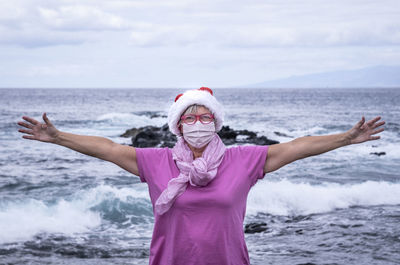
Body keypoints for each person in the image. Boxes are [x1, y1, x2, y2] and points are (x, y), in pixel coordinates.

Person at [17, 87, 385, 265]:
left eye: (205, 116)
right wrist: (58, 137)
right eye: (189, 117)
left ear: (216, 122)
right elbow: (109, 148)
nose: (198, 123)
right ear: (177, 125)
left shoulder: (244, 160)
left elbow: (296, 146)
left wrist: (347, 138)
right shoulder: (156, 162)